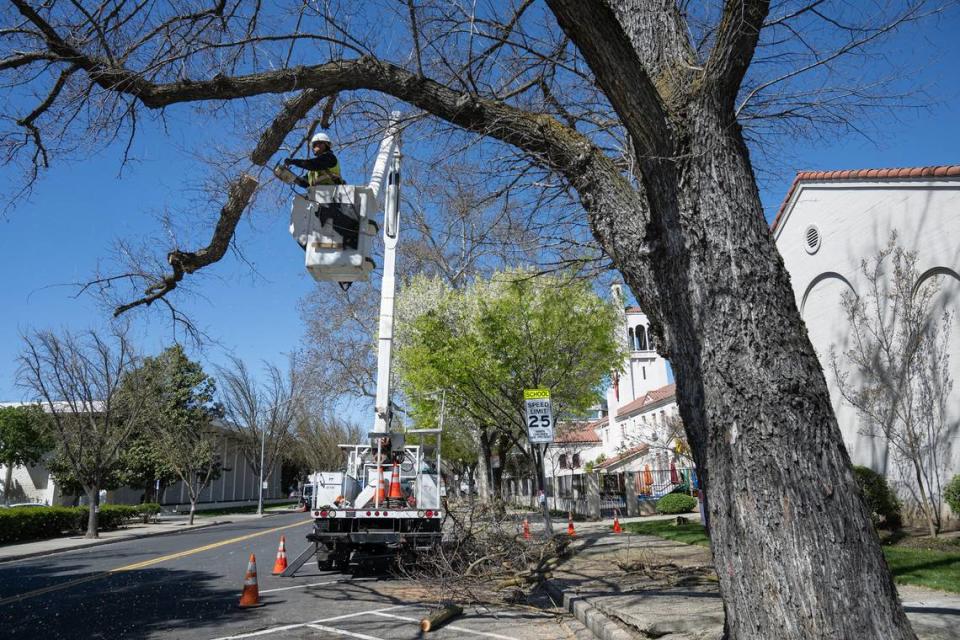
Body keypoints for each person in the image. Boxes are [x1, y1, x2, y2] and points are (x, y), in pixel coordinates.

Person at [284, 132, 359, 249]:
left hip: (333, 199)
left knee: (337, 225)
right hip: (321, 201)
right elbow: (305, 183)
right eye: (313, 145)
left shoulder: (329, 158)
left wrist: (293, 162)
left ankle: (350, 240)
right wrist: (290, 177)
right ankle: (312, 247)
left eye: (317, 144)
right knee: (309, 227)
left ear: (325, 145)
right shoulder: (312, 171)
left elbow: (312, 164)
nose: (314, 147)